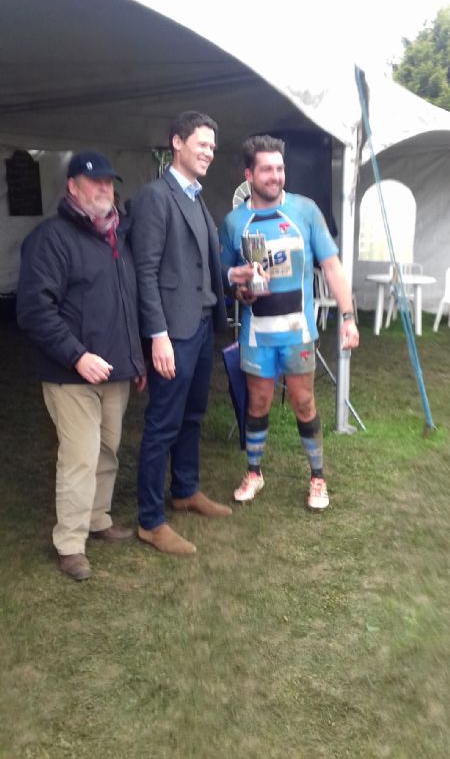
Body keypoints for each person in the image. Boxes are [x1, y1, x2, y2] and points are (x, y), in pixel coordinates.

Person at [16, 151, 146, 581]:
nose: (105, 190)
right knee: (79, 457)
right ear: (72, 186)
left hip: (115, 372)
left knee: (107, 451)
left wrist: (135, 358)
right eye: (95, 183)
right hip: (70, 374)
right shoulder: (51, 238)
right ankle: (70, 544)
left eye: (110, 183)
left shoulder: (117, 236)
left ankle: (97, 518)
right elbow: (34, 310)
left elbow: (127, 304)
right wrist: (77, 355)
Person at [219, 135, 359, 511]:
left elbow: (331, 265)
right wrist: (239, 292)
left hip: (297, 330)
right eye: (266, 169)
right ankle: (254, 472)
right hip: (256, 332)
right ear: (249, 174)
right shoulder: (234, 222)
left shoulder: (305, 211)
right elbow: (225, 276)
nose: (275, 176)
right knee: (258, 402)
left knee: (304, 402)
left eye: (280, 168)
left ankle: (317, 478)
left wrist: (348, 317)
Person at [130, 111, 232, 556]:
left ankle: (185, 490)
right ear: (177, 142)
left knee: (192, 417)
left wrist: (234, 274)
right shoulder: (156, 196)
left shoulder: (196, 197)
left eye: (213, 145)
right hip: (173, 332)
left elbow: (200, 265)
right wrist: (158, 334)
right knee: (162, 424)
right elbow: (145, 272)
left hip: (202, 324)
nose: (210, 151)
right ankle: (150, 521)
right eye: (202, 143)